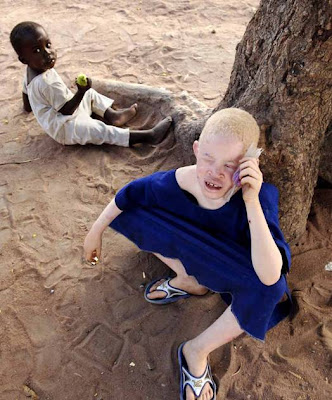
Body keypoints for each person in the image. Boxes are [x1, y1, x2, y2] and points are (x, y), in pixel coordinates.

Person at [84, 108, 292, 400]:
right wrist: (94, 232)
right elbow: (129, 194)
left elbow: (270, 274)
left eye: (230, 165)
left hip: (227, 263)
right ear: (196, 150)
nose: (215, 172)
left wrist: (250, 200)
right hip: (191, 250)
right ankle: (188, 280)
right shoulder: (177, 181)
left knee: (271, 288)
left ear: (249, 165)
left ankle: (196, 350)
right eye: (208, 158)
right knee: (129, 213)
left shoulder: (257, 200)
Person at [10, 21, 172, 147]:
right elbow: (66, 111)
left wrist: (28, 108)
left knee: (90, 93)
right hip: (64, 128)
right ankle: (149, 136)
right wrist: (80, 92)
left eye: (48, 45)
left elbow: (26, 95)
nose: (48, 53)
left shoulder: (30, 71)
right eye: (37, 51)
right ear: (24, 59)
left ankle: (112, 115)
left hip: (62, 113)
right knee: (98, 130)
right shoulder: (47, 82)